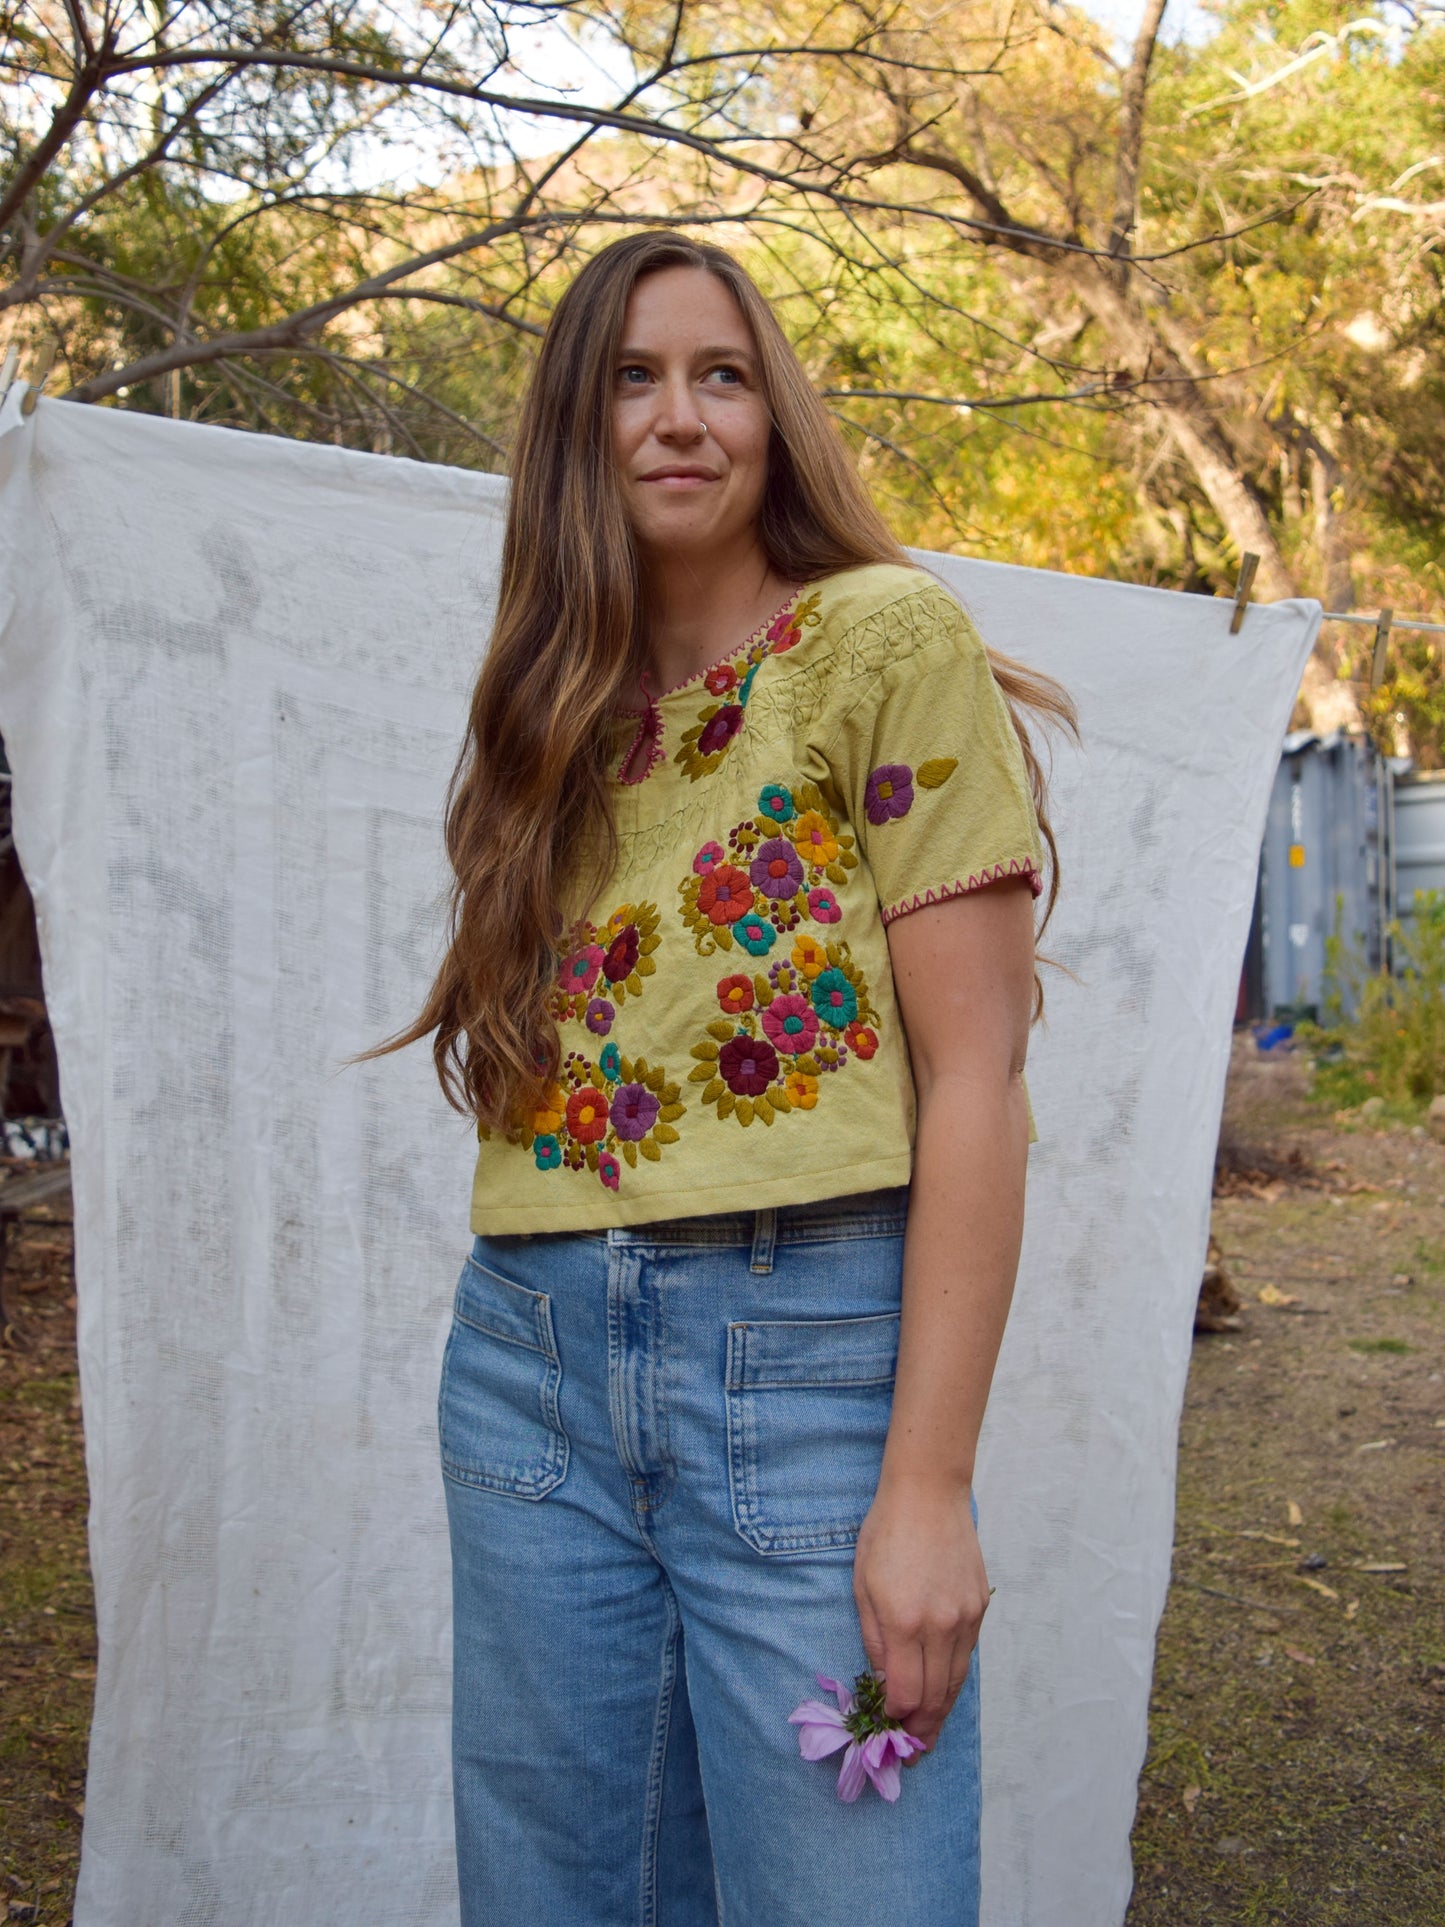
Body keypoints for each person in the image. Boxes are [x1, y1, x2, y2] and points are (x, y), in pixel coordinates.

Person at [382, 229, 1075, 1925]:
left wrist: (923, 1488)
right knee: (560, 1898)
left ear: (773, 417)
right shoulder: (549, 705)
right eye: (631, 377)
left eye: (721, 373)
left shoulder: (873, 639)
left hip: (808, 1361)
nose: (678, 416)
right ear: (574, 429)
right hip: (527, 1365)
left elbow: (976, 1080)